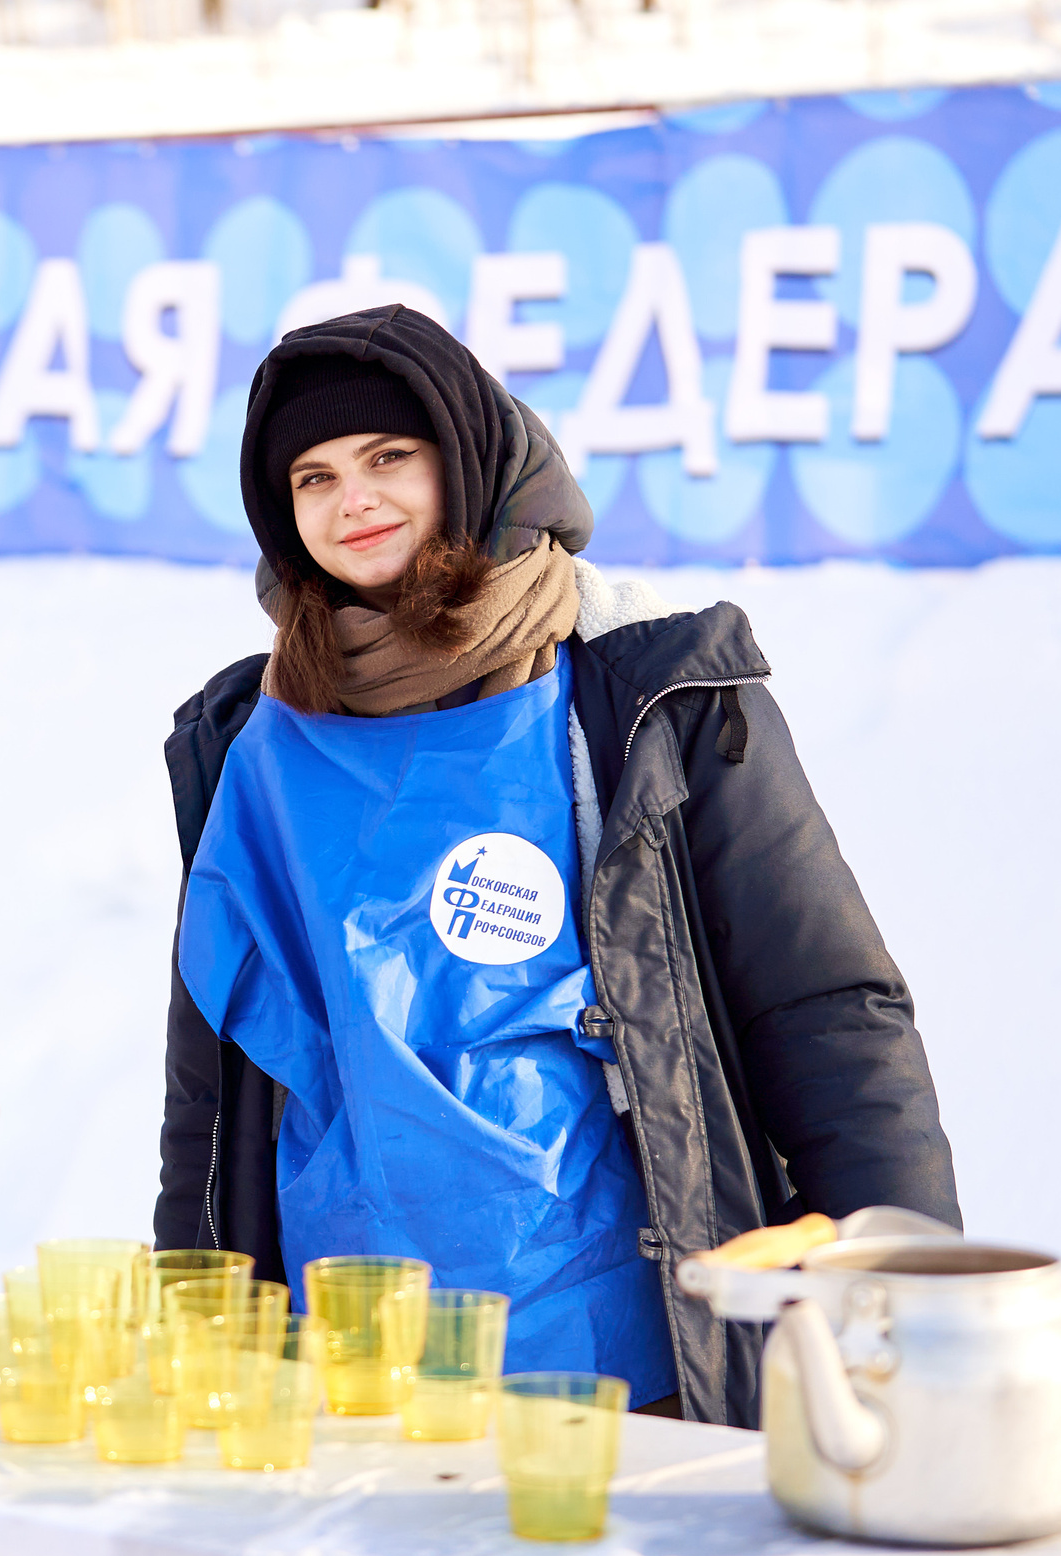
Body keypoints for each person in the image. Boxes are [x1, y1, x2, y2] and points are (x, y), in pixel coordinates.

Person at [157, 306, 959, 1426]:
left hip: (631, 1361)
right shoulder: (253, 738)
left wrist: (903, 1296)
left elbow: (825, 1009)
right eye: (314, 478)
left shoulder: (653, 697)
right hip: (345, 1367)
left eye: (391, 458)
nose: (356, 502)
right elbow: (215, 1075)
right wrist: (197, 1318)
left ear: (471, 461)